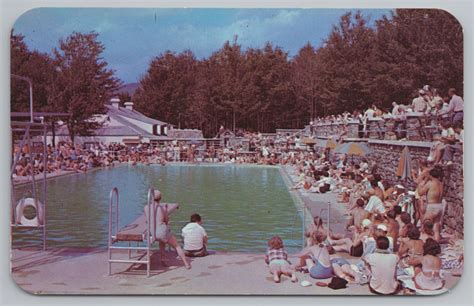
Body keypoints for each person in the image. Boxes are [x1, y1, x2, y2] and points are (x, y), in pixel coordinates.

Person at [144, 191, 190, 269]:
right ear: (160, 199)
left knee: (162, 241)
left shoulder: (146, 207)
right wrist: (167, 221)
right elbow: (165, 220)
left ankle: (163, 260)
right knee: (177, 245)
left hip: (152, 232)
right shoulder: (162, 208)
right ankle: (186, 264)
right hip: (161, 232)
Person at [418, 168, 444, 241]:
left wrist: (419, 184)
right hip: (439, 206)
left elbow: (420, 193)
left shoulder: (430, 183)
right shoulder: (441, 184)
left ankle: (423, 243)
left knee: (424, 225)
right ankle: (436, 244)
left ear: (431, 175)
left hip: (432, 206)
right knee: (436, 228)